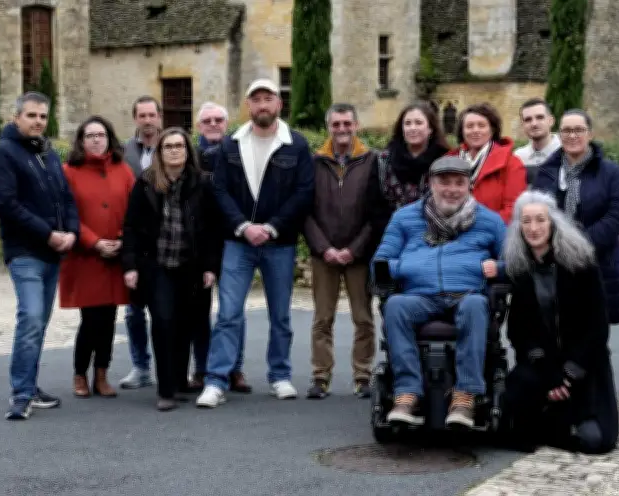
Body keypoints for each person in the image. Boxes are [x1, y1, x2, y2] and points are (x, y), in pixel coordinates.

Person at [196, 78, 315, 408]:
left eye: (269, 99)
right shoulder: (231, 145)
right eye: (256, 99)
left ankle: (280, 376)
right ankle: (216, 380)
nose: (262, 105)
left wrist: (273, 227)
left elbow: (304, 192)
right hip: (238, 242)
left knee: (280, 315)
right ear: (248, 105)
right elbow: (220, 190)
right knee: (229, 313)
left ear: (279, 104)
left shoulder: (296, 144)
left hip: (280, 243)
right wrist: (244, 226)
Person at [372, 156, 505, 428]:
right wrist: (407, 266)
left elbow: (515, 262)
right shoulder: (405, 217)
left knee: (476, 306)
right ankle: (407, 393)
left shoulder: (489, 221)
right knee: (395, 306)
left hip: (466, 294)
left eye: (459, 183)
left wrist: (499, 268)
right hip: (420, 296)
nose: (451, 189)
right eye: (444, 182)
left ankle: (465, 396)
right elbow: (380, 264)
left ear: (470, 185)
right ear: (431, 184)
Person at [499, 190, 619, 454]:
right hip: (542, 366)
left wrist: (569, 374)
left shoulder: (581, 262)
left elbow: (598, 326)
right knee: (517, 424)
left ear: (553, 222)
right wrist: (549, 373)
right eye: (526, 221)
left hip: (584, 363)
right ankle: (546, 420)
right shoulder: (519, 267)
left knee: (595, 442)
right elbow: (519, 331)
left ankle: (559, 421)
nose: (533, 228)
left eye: (540, 220)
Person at [0, 91, 79, 420]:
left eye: (42, 116)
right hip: (25, 252)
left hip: (53, 253)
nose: (38, 121)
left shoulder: (48, 154)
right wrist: (48, 234)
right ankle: (21, 394)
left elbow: (66, 198)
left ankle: (30, 386)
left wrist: (72, 233)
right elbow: (7, 206)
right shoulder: (2, 153)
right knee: (32, 318)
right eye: (31, 116)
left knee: (39, 323)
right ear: (16, 118)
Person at [121, 127, 222, 411]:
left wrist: (211, 267)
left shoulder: (202, 184)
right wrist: (130, 265)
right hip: (157, 265)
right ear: (160, 152)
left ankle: (179, 380)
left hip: (192, 265)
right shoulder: (145, 183)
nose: (174, 150)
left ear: (187, 151)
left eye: (179, 145)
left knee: (187, 324)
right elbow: (131, 227)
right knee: (164, 322)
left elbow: (214, 230)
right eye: (168, 146)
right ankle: (165, 390)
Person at [304, 103, 382, 399]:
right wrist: (324, 249)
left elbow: (375, 212)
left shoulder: (373, 160)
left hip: (358, 255)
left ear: (356, 125)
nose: (342, 129)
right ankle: (320, 376)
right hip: (324, 254)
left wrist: (354, 249)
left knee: (363, 318)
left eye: (347, 123)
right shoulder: (315, 162)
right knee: (322, 318)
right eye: (336, 124)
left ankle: (363, 375)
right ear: (329, 128)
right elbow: (305, 211)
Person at [532, 109, 619, 325]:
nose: (572, 136)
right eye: (566, 130)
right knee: (556, 333)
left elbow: (618, 215)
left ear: (590, 134)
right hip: (555, 263)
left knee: (593, 339)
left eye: (579, 130)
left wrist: (579, 244)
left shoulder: (613, 173)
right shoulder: (546, 173)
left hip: (597, 262)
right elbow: (536, 213)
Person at [59, 116, 135, 399]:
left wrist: (120, 239)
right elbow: (66, 215)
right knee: (91, 319)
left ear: (109, 138)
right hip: (85, 258)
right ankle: (80, 374)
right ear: (80, 140)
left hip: (115, 255)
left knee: (110, 317)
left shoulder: (123, 171)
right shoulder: (68, 171)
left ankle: (101, 373)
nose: (95, 139)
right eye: (89, 135)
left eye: (100, 134)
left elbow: (134, 211)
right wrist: (94, 242)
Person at [192, 101, 252, 393]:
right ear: (198, 126)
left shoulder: (238, 152)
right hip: (201, 243)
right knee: (199, 311)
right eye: (207, 120)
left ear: (226, 124)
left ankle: (234, 368)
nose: (213, 124)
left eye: (218, 119)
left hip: (232, 238)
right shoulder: (190, 157)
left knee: (232, 309)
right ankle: (202, 368)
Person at [119, 96, 162, 390]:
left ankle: (171, 367)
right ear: (135, 119)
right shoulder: (122, 152)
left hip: (168, 241)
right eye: (142, 115)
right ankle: (141, 366)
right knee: (134, 311)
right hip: (135, 241)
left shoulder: (175, 146)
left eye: (152, 114)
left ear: (160, 117)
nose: (147, 120)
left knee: (168, 310)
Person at [448, 102, 527, 223]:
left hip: (494, 234)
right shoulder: (448, 161)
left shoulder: (511, 163)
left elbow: (513, 208)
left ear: (492, 129)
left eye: (481, 125)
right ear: (462, 131)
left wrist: (479, 229)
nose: (475, 130)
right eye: (469, 126)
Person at [513, 98, 562, 184]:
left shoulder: (568, 152)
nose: (534, 124)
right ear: (522, 125)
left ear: (551, 121)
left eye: (540, 117)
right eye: (528, 120)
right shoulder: (518, 157)